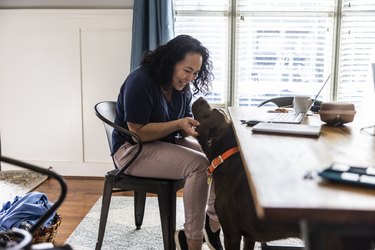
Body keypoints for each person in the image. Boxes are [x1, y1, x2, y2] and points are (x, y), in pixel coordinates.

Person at [112, 35, 222, 250]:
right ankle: (192, 242)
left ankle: (212, 225)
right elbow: (138, 133)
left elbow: (182, 124)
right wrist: (180, 124)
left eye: (195, 73)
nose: (190, 78)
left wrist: (207, 132)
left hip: (164, 144)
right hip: (131, 150)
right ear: (170, 62)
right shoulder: (140, 80)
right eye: (187, 70)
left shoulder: (181, 87)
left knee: (217, 157)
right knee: (199, 166)